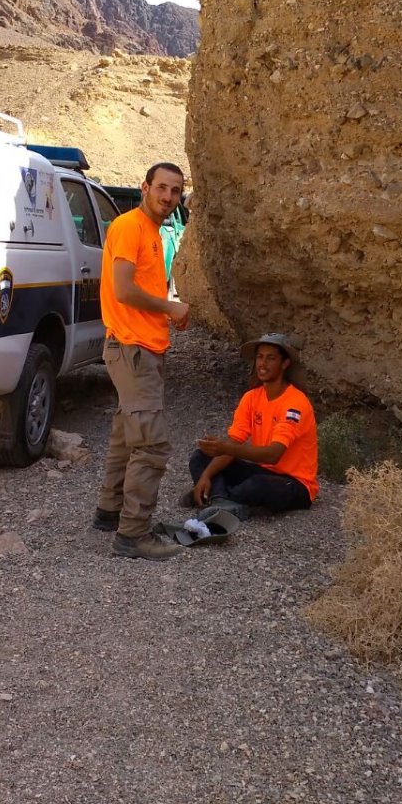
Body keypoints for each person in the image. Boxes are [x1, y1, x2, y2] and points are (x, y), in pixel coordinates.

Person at [93, 162, 190, 560]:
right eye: (162, 188)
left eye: (175, 191)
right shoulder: (130, 226)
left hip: (140, 346)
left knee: (124, 436)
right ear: (145, 187)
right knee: (151, 445)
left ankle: (109, 511)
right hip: (132, 350)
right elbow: (123, 290)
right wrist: (169, 307)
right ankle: (133, 535)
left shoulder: (152, 230)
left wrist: (167, 312)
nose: (168, 197)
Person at [189, 333, 318, 518]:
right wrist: (206, 475)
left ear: (285, 364)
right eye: (259, 357)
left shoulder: (295, 403)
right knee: (201, 457)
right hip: (263, 472)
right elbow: (235, 439)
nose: (262, 364)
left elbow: (273, 455)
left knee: (257, 485)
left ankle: (218, 497)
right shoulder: (251, 397)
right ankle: (221, 500)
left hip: (296, 484)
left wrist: (225, 448)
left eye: (270, 358)